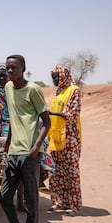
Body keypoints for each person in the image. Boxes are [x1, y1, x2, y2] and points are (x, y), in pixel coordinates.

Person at [0, 54, 50, 223]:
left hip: (29, 154)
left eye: (14, 68)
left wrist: (35, 148)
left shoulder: (33, 89)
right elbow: (14, 118)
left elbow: (46, 122)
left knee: (31, 200)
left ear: (23, 68)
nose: (10, 71)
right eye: (8, 68)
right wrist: (7, 145)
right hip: (13, 153)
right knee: (4, 197)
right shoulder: (8, 89)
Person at [47, 65, 82, 214]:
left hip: (70, 136)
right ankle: (59, 201)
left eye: (56, 77)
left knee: (70, 171)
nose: (54, 80)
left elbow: (72, 113)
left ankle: (73, 205)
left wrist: (49, 113)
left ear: (63, 76)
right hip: (56, 135)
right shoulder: (59, 91)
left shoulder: (74, 90)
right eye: (53, 77)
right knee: (56, 171)